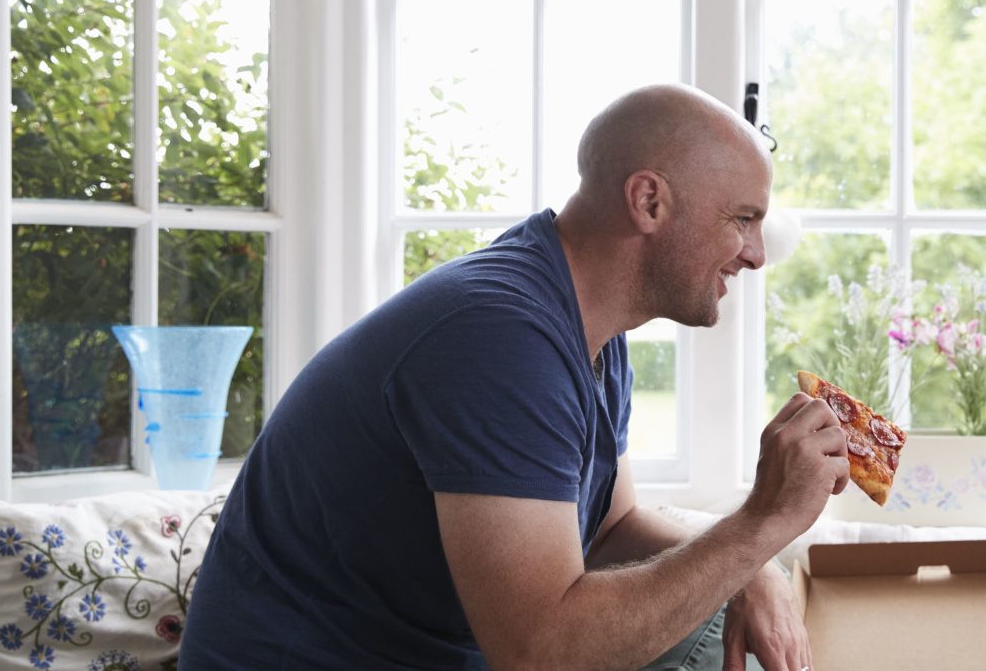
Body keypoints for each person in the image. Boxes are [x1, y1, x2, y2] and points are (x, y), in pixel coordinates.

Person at [182, 84, 849, 670]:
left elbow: (610, 533)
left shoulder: (591, 329)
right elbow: (541, 655)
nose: (758, 256)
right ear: (649, 201)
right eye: (743, 219)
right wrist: (759, 525)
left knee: (730, 623)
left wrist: (753, 567)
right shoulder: (498, 337)